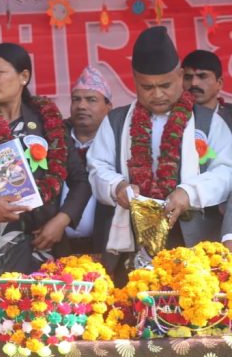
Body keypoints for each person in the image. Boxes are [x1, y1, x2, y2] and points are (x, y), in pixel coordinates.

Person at [0, 43, 92, 324]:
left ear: (24, 77)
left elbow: (81, 181)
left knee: (38, 329)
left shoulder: (47, 123)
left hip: (39, 243)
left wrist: (61, 220)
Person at [89, 27, 232, 281]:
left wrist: (189, 192)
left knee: (192, 300)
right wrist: (117, 186)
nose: (157, 94)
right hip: (132, 242)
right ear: (134, 80)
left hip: (192, 241)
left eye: (165, 85)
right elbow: (97, 166)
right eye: (147, 87)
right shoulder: (116, 121)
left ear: (180, 76)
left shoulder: (209, 122)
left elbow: (226, 170)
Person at [56, 66, 113, 257]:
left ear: (108, 107)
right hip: (56, 248)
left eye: (91, 99)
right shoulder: (52, 141)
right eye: (76, 99)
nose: (81, 106)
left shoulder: (119, 145)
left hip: (104, 250)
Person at [182, 49, 232, 129]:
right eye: (188, 77)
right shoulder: (170, 116)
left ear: (219, 83)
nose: (194, 83)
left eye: (202, 77)